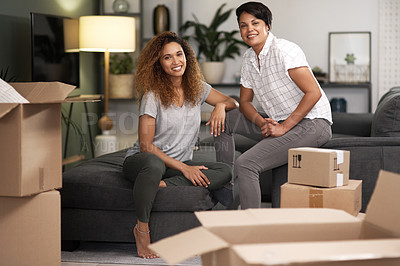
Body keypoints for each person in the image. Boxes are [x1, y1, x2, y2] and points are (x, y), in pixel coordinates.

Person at [122, 31, 238, 259]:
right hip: (144, 162)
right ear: (158, 63)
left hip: (173, 167)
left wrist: (220, 107)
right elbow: (146, 146)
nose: (176, 62)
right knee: (154, 165)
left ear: (188, 57)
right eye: (167, 57)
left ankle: (158, 186)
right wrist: (185, 169)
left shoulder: (197, 88)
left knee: (224, 171)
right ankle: (142, 231)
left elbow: (231, 101)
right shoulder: (152, 95)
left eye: (179, 54)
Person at [214, 2, 333, 209]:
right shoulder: (249, 58)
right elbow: (244, 102)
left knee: (247, 163)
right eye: (243, 25)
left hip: (312, 124)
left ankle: (252, 228)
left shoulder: (284, 50)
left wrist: (284, 127)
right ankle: (224, 186)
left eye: (255, 22)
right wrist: (262, 123)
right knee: (224, 120)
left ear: (267, 25)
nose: (249, 29)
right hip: (277, 122)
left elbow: (313, 92)